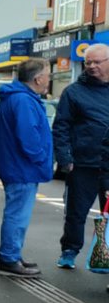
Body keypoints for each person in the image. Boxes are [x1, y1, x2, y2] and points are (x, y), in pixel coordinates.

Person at [0, 58, 52, 278]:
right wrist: (41, 156)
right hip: (22, 167)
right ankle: (8, 259)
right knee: (18, 215)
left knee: (17, 214)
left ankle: (12, 255)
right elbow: (28, 136)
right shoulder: (24, 101)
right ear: (37, 79)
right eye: (47, 75)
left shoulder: (16, 98)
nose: (49, 79)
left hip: (16, 165)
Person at [53, 43, 109, 269]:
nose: (92, 66)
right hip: (83, 163)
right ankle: (69, 251)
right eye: (89, 62)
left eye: (97, 62)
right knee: (76, 212)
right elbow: (61, 127)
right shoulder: (73, 92)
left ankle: (104, 256)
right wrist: (65, 158)